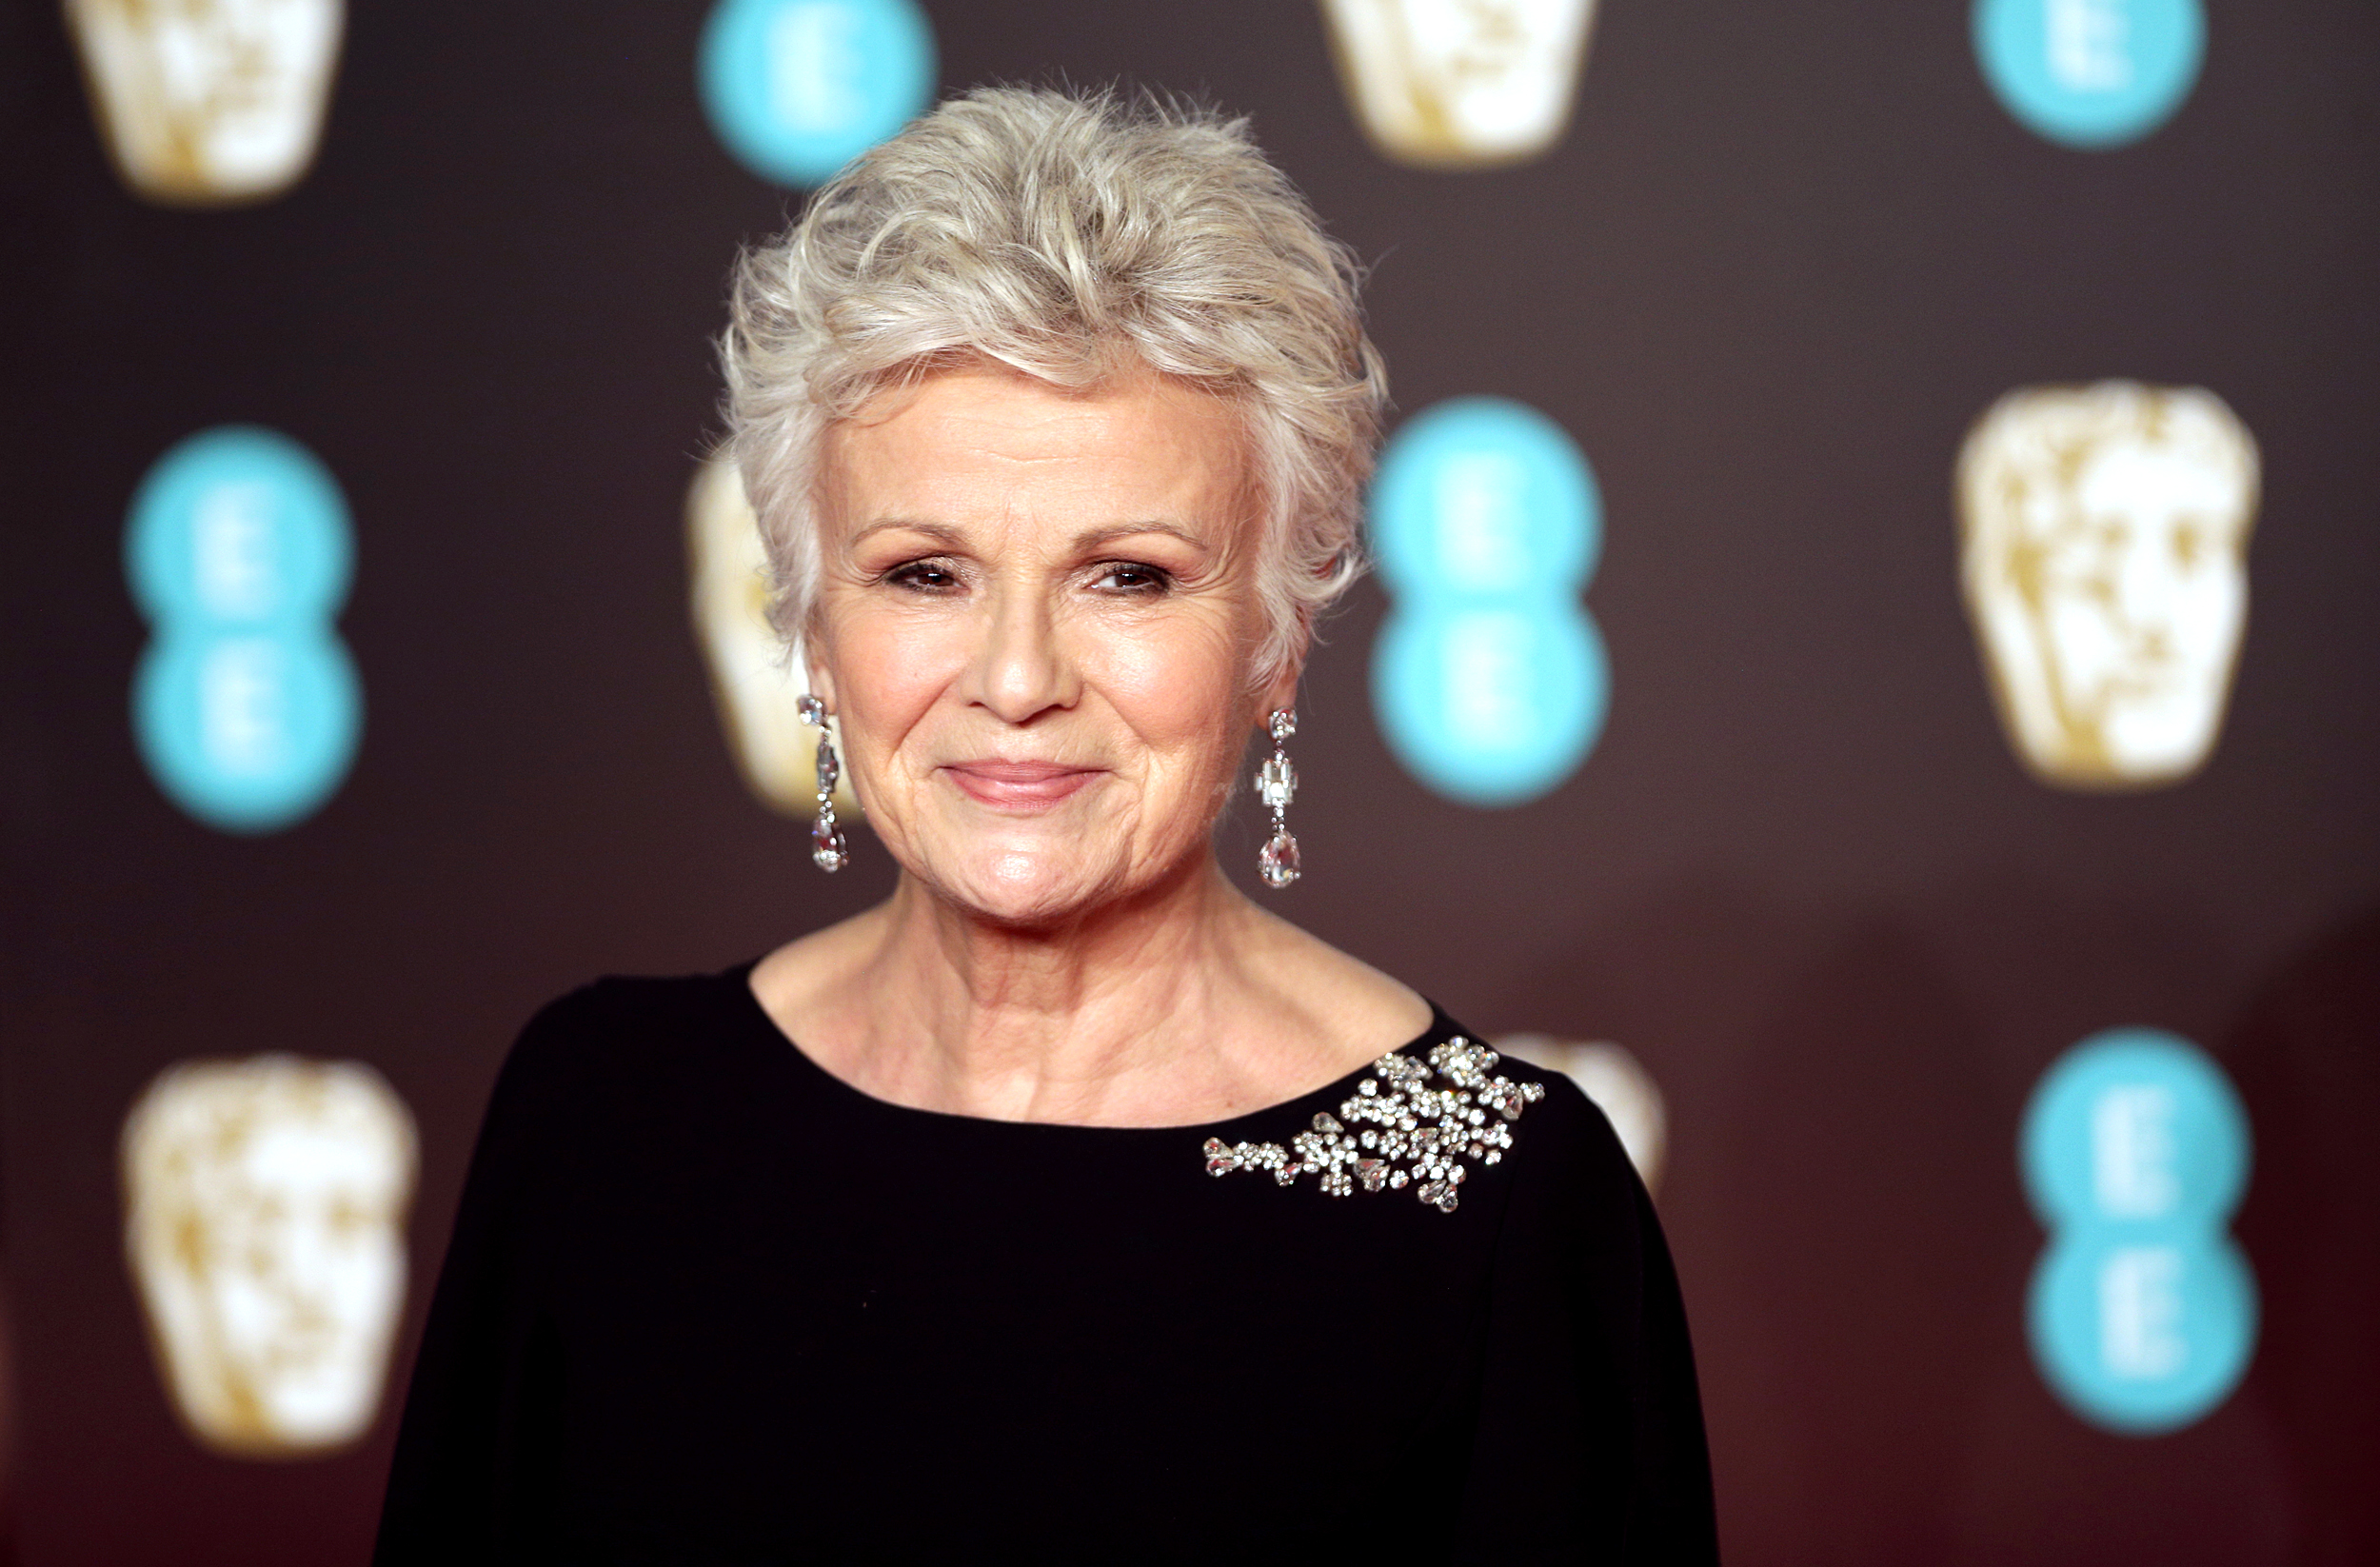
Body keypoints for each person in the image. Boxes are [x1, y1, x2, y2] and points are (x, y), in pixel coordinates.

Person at [375, 86, 1716, 1564]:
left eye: (1127, 575)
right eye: (925, 573)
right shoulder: (598, 1116)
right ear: (812, 631)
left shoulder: (1500, 1203)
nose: (1017, 680)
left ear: (1277, 638)